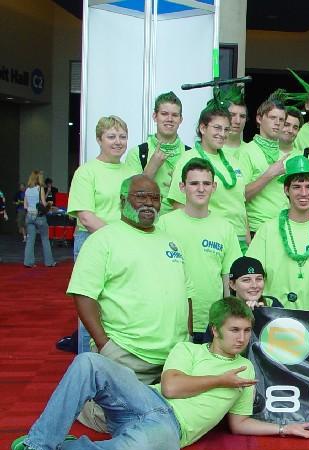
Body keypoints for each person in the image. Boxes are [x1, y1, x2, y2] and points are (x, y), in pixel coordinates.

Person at [0, 297, 309, 450]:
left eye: (246, 331)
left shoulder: (247, 368)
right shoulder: (190, 350)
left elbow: (239, 424)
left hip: (171, 430)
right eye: (234, 330)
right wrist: (221, 380)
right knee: (88, 362)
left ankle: (54, 446)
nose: (242, 338)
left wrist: (285, 429)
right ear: (215, 330)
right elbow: (170, 387)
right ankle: (38, 449)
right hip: (145, 401)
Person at [67, 175, 194, 432]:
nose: (149, 203)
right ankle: (88, 407)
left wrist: (187, 338)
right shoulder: (103, 239)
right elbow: (83, 295)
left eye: (154, 197)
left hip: (172, 357)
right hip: (127, 354)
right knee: (119, 422)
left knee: (177, 416)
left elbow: (187, 293)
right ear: (123, 200)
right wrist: (105, 345)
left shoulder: (170, 241)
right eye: (140, 196)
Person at [67, 115, 142, 353]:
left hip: (126, 244)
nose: (118, 142)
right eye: (111, 136)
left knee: (120, 306)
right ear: (99, 140)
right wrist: (118, 237)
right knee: (90, 308)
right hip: (93, 242)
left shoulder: (132, 173)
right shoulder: (86, 172)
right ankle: (87, 366)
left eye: (122, 137)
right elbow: (86, 216)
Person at [159, 159, 241, 343]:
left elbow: (228, 279)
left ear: (214, 187)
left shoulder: (225, 228)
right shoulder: (164, 224)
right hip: (173, 320)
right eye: (194, 183)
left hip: (211, 322)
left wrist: (227, 320)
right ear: (182, 187)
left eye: (206, 183)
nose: (201, 189)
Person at [247, 155, 309, 312]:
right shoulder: (268, 229)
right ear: (286, 190)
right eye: (297, 187)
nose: (304, 193)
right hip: (273, 320)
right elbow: (251, 276)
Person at [168, 104, 249, 253]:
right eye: (217, 128)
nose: (222, 134)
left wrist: (248, 240)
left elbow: (240, 205)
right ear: (203, 128)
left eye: (226, 129)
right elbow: (178, 205)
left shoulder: (233, 160)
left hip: (239, 238)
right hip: (209, 239)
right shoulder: (188, 159)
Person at [127, 91, 188, 215]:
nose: (169, 119)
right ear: (155, 116)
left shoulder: (191, 154)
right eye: (164, 114)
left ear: (181, 119)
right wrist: (151, 168)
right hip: (147, 225)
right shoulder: (138, 153)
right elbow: (129, 197)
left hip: (182, 225)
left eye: (175, 115)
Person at [239, 95, 289, 236]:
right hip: (258, 229)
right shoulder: (246, 151)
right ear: (259, 119)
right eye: (272, 118)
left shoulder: (284, 155)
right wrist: (269, 174)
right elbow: (239, 196)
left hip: (283, 228)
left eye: (281, 120)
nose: (277, 123)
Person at [22, 170, 56, 268]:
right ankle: (49, 262)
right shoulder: (40, 189)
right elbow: (44, 203)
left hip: (29, 216)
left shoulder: (27, 190)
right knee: (45, 238)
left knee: (30, 240)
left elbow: (25, 205)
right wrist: (50, 205)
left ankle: (28, 262)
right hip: (39, 216)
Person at [222, 85, 248, 160]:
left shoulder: (251, 151)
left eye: (242, 116)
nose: (238, 121)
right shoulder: (212, 149)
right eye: (232, 115)